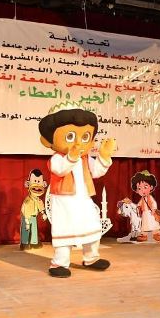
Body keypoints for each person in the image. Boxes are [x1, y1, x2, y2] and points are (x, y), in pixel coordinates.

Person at [38, 101, 116, 278]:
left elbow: (97, 172)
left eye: (85, 136)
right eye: (71, 136)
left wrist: (104, 156)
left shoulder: (85, 158)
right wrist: (72, 156)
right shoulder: (57, 158)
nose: (79, 142)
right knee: (65, 231)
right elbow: (60, 170)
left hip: (84, 199)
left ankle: (91, 258)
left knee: (92, 227)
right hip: (64, 202)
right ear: (48, 141)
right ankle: (59, 263)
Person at [131, 170, 160, 242]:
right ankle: (144, 235)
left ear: (151, 187)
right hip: (145, 214)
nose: (142, 190)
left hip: (151, 213)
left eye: (145, 187)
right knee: (145, 224)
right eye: (139, 188)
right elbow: (139, 205)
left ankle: (156, 234)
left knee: (153, 223)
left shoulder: (150, 197)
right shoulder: (142, 199)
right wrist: (137, 208)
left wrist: (153, 209)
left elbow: (153, 203)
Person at [19, 169, 47, 250]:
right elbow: (25, 210)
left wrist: (43, 213)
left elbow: (40, 206)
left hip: (34, 217)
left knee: (34, 231)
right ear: (28, 184)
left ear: (44, 184)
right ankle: (25, 244)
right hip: (26, 217)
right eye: (35, 181)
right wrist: (26, 220)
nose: (37, 185)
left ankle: (34, 243)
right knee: (26, 230)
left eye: (39, 182)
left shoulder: (38, 200)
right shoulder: (27, 200)